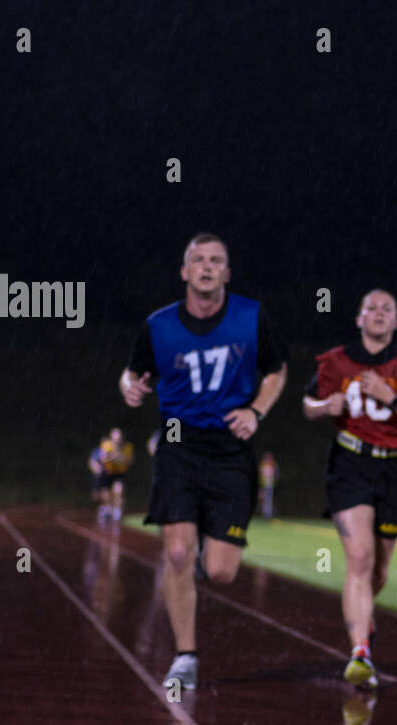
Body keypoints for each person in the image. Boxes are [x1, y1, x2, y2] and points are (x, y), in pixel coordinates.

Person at [119, 233, 288, 690]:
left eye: (217, 261)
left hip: (231, 452)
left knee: (221, 571)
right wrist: (130, 387)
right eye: (199, 260)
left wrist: (255, 411)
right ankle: (186, 656)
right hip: (178, 447)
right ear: (184, 271)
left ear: (227, 273)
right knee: (176, 552)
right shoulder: (158, 325)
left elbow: (277, 370)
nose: (207, 267)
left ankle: (196, 560)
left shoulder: (251, 317)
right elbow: (133, 372)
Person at [303, 289, 397, 690]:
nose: (379, 314)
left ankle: (364, 621)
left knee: (378, 571)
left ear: (396, 322)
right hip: (350, 463)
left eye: (387, 309)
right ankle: (360, 652)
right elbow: (307, 402)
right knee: (359, 560)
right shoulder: (336, 361)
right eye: (371, 308)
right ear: (358, 318)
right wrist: (321, 408)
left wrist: (390, 398)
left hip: (396, 467)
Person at [88, 427, 135, 524]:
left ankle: (117, 512)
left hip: (119, 473)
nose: (117, 441)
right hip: (107, 472)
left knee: (119, 490)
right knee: (105, 494)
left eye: (119, 438)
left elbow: (130, 460)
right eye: (115, 438)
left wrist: (123, 458)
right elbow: (103, 458)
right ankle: (106, 508)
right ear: (111, 438)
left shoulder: (128, 447)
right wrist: (115, 456)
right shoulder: (106, 445)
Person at [259, 451, 279, 519]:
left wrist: (275, 482)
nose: (269, 459)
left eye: (270, 458)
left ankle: (268, 514)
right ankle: (264, 513)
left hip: (270, 485)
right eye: (267, 458)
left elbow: (276, 474)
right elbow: (259, 475)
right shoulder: (262, 464)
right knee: (263, 500)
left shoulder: (273, 464)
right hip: (263, 485)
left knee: (269, 500)